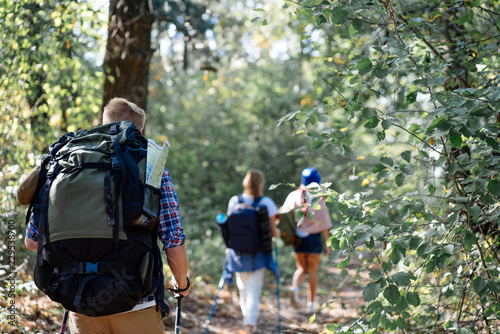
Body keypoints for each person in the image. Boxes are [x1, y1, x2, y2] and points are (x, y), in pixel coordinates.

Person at [21, 97, 191, 334]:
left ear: (102, 123)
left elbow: (32, 241)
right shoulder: (151, 168)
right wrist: (182, 285)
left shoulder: (66, 164)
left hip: (81, 304)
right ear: (139, 130)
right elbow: (172, 241)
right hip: (137, 304)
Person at [224, 169, 280, 334]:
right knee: (254, 292)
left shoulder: (235, 201)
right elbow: (273, 232)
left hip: (237, 254)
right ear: (260, 183)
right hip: (259, 254)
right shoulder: (267, 203)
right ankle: (250, 324)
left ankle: (246, 320)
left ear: (245, 183)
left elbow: (229, 227)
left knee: (242, 289)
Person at [282, 167, 332, 314]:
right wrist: (327, 244)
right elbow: (324, 225)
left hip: (297, 238)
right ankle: (310, 303)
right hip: (314, 238)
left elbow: (285, 214)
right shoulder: (320, 198)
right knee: (312, 271)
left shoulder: (293, 195)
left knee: (301, 269)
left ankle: (294, 288)